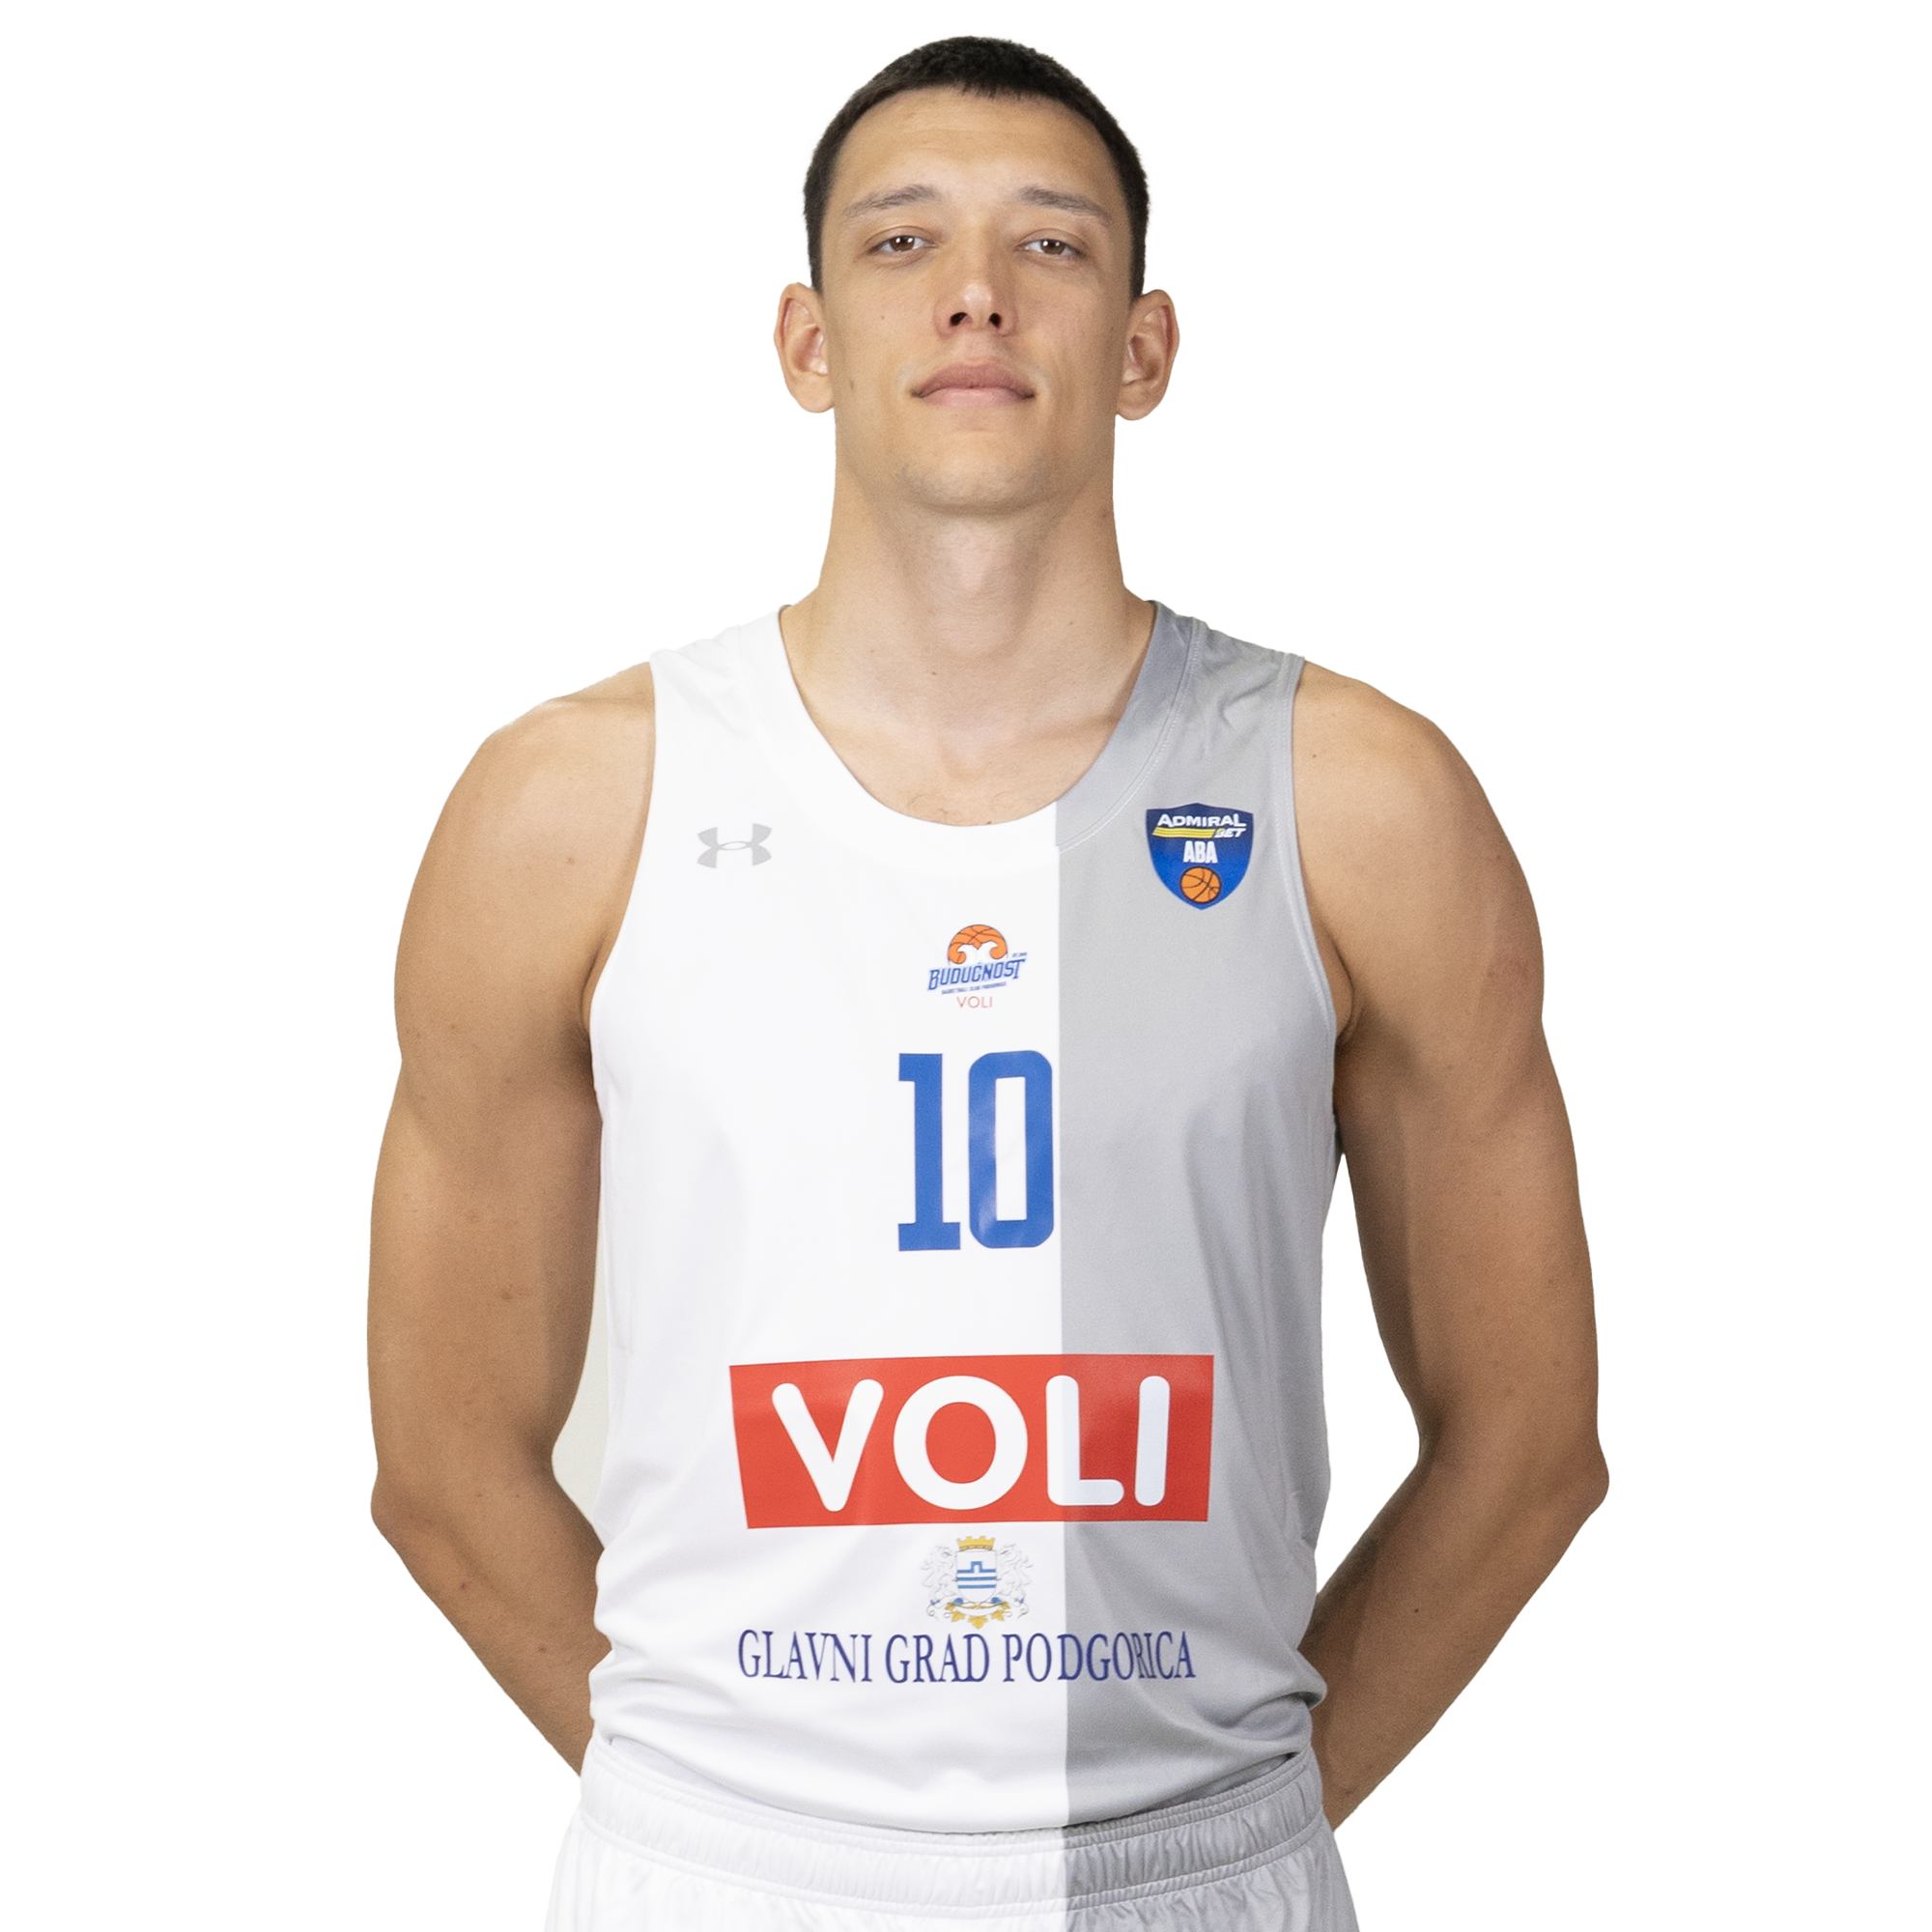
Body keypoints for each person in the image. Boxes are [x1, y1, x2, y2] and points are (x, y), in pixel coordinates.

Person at [369, 35, 1605, 1932]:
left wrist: (1224, 1822)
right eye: (901, 242)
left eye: (1050, 243)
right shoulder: (572, 809)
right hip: (717, 1879)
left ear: (1143, 348)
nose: (975, 292)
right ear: (804, 342)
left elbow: (1527, 1449)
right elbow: (441, 1460)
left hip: (1200, 1874)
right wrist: (710, 1812)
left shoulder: (1354, 805)